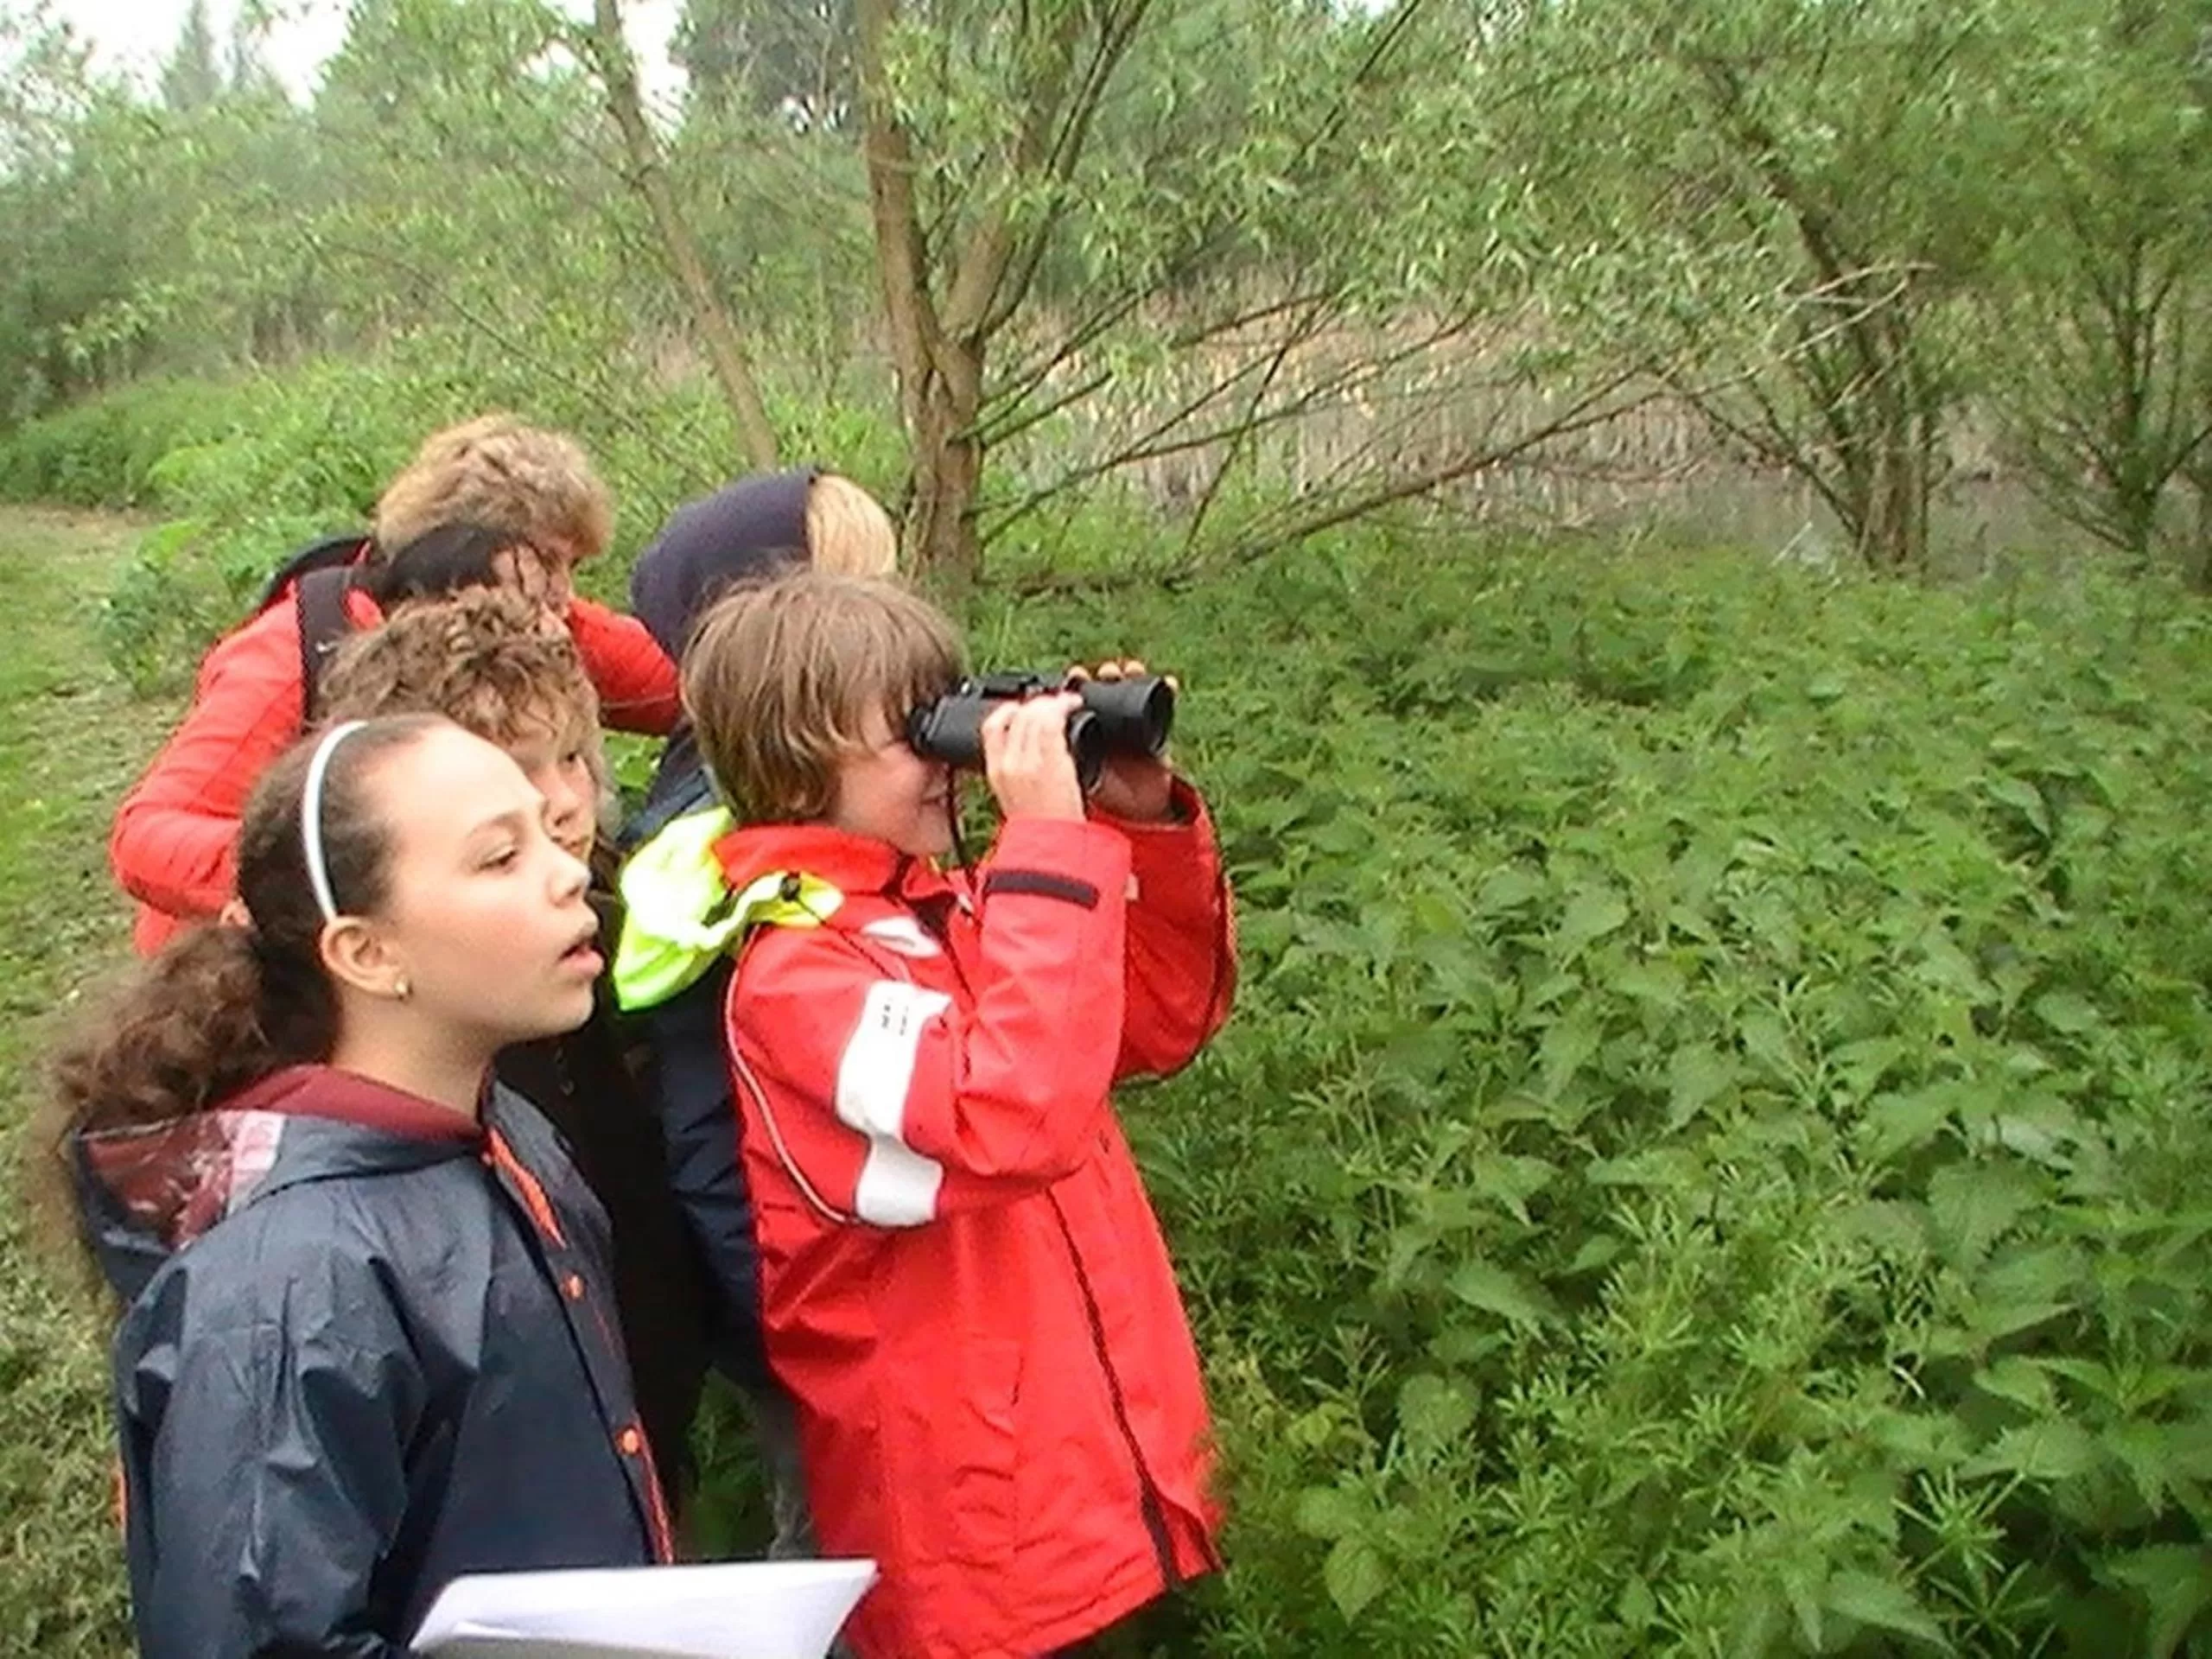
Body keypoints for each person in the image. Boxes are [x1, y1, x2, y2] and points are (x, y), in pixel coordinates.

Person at [662, 569, 1236, 1657]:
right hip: (974, 1544)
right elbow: (1011, 1116)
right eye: (914, 730)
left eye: (949, 713)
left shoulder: (960, 914)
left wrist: (1134, 818)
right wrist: (1049, 850)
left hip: (1089, 1497)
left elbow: (1160, 1020)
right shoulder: (795, 980)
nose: (952, 754)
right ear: (798, 749)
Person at [50, 715, 674, 1658]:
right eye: (499, 858)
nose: (567, 874)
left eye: (550, 830)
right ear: (367, 953)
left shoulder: (506, 1133)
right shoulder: (291, 1282)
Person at [316, 588, 711, 1511]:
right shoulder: (407, 1058)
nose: (569, 803)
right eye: (519, 774)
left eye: (575, 754)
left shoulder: (609, 913)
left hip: (641, 1418)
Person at [109, 413, 682, 956]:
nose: (561, 591)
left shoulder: (529, 618)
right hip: (269, 960)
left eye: (572, 568)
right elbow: (146, 839)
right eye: (549, 563)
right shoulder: (295, 648)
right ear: (470, 551)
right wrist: (341, 870)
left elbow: (682, 687)